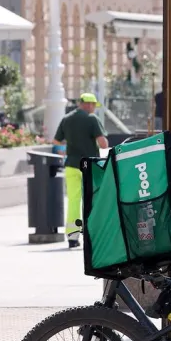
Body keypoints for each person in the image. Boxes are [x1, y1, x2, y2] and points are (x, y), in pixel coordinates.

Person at [54, 93, 108, 248]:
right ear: (88, 104)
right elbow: (103, 144)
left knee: (73, 201)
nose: (93, 108)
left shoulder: (67, 119)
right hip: (89, 166)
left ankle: (73, 237)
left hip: (71, 166)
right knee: (91, 200)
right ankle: (92, 237)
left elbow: (56, 141)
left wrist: (67, 150)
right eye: (93, 105)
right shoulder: (92, 119)